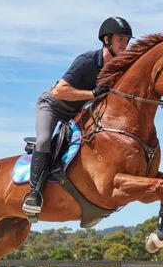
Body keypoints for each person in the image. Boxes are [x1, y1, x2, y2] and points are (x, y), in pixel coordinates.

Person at [22, 16, 133, 217]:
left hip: (77, 113)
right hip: (53, 105)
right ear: (106, 40)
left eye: (126, 40)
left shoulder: (119, 69)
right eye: (120, 39)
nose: (124, 44)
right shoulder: (87, 61)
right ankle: (34, 194)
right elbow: (59, 91)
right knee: (45, 139)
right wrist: (92, 94)